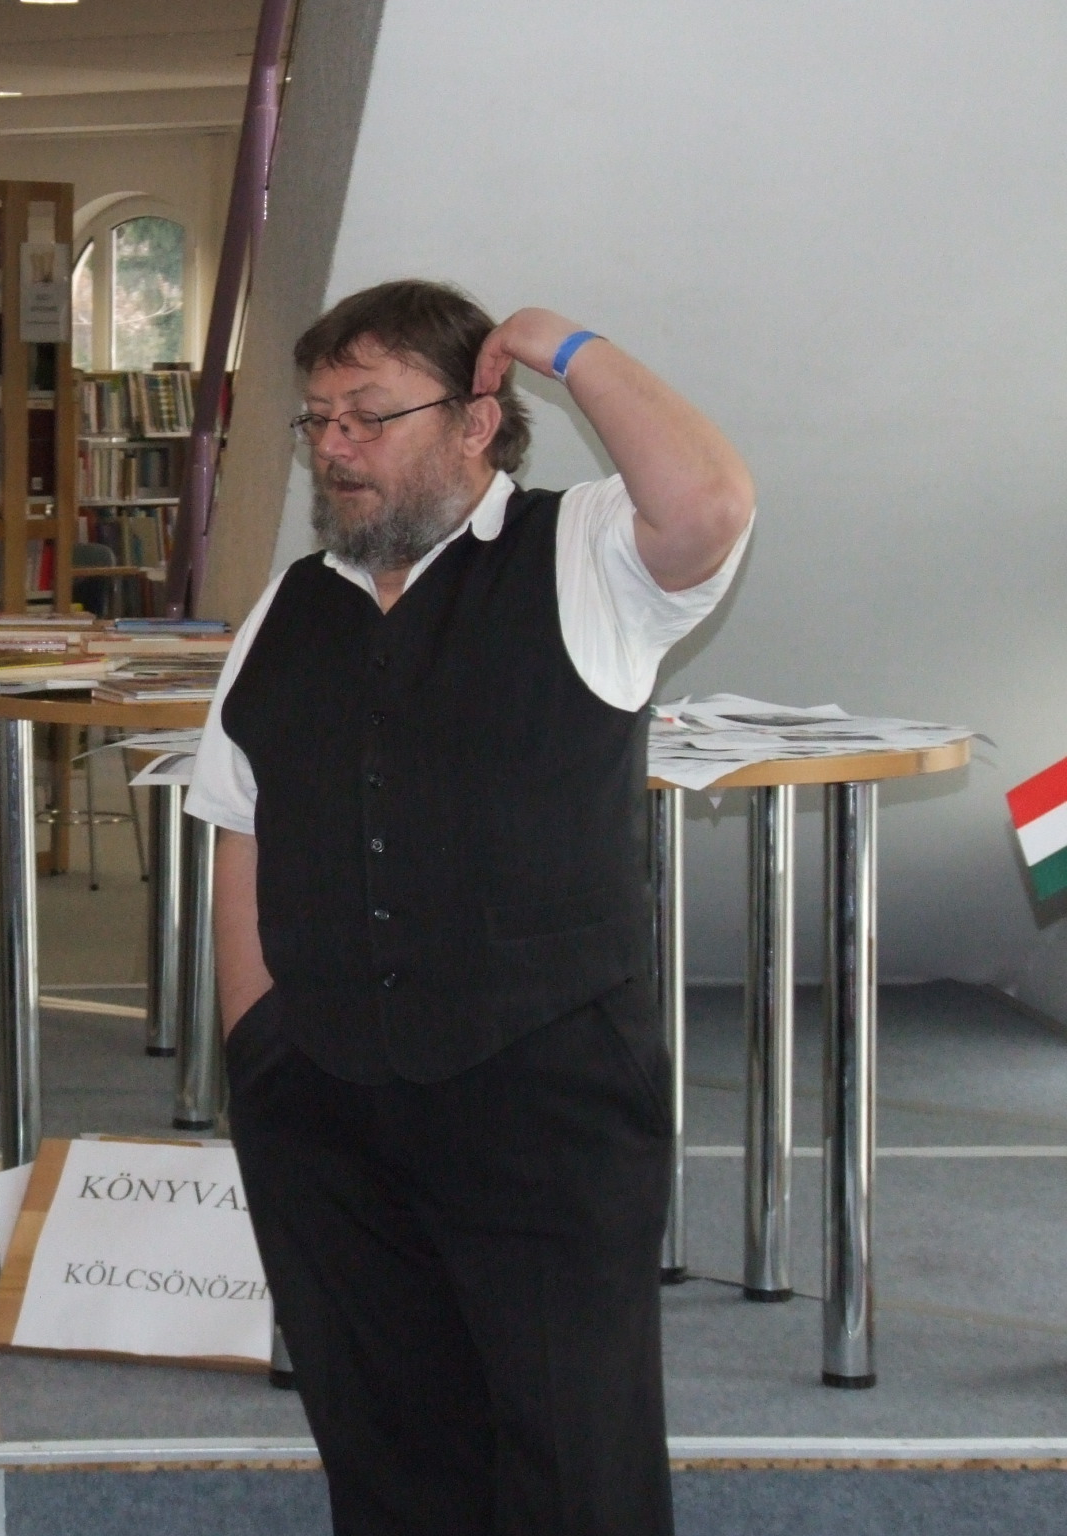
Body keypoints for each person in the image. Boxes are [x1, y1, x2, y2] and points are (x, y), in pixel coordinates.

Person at [187, 280, 755, 1535]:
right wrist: (258, 1054)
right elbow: (239, 821)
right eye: (318, 419)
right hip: (323, 1106)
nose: (334, 445)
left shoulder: (585, 553)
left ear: (475, 421)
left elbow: (710, 503)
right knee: (382, 1446)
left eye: (368, 414)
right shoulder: (289, 605)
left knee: (572, 1456)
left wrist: (565, 344)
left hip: (541, 1100)